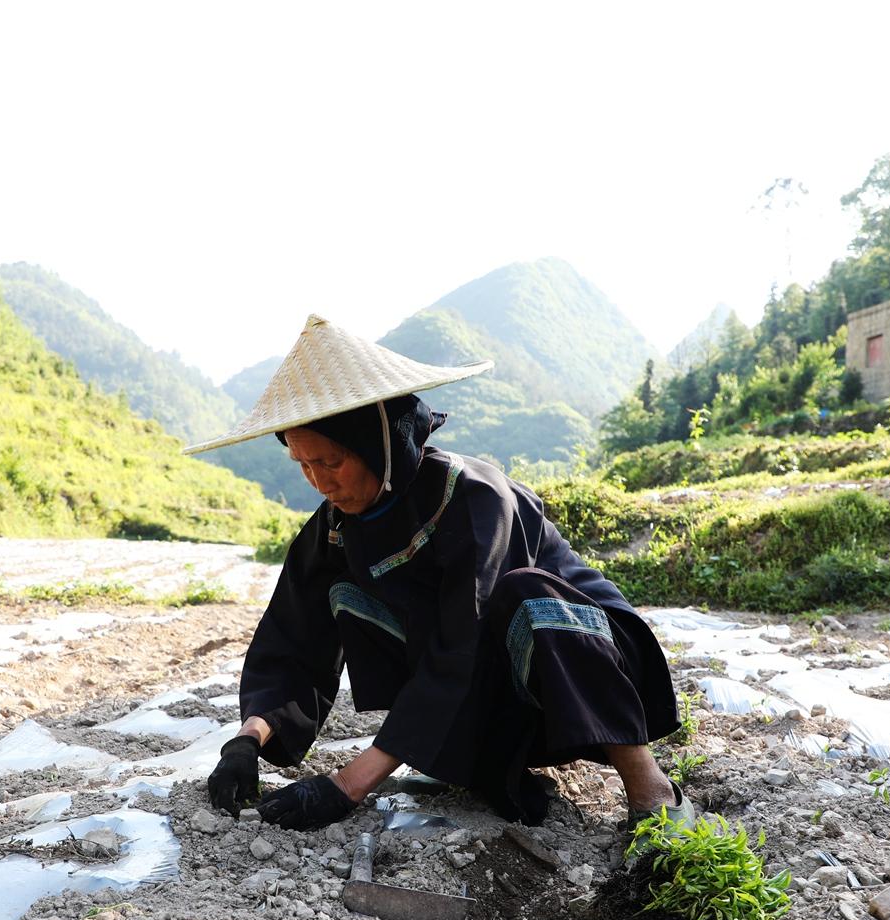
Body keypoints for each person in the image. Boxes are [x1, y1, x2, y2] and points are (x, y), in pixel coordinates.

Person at [184, 315, 680, 832]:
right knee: (344, 588)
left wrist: (348, 784)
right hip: (484, 694)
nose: (318, 481)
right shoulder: (334, 528)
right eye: (303, 464)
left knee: (525, 594)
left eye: (330, 461)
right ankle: (482, 763)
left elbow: (462, 645)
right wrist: (247, 739)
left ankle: (650, 786)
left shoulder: (475, 499)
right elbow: (292, 641)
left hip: (582, 677)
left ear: (378, 444)